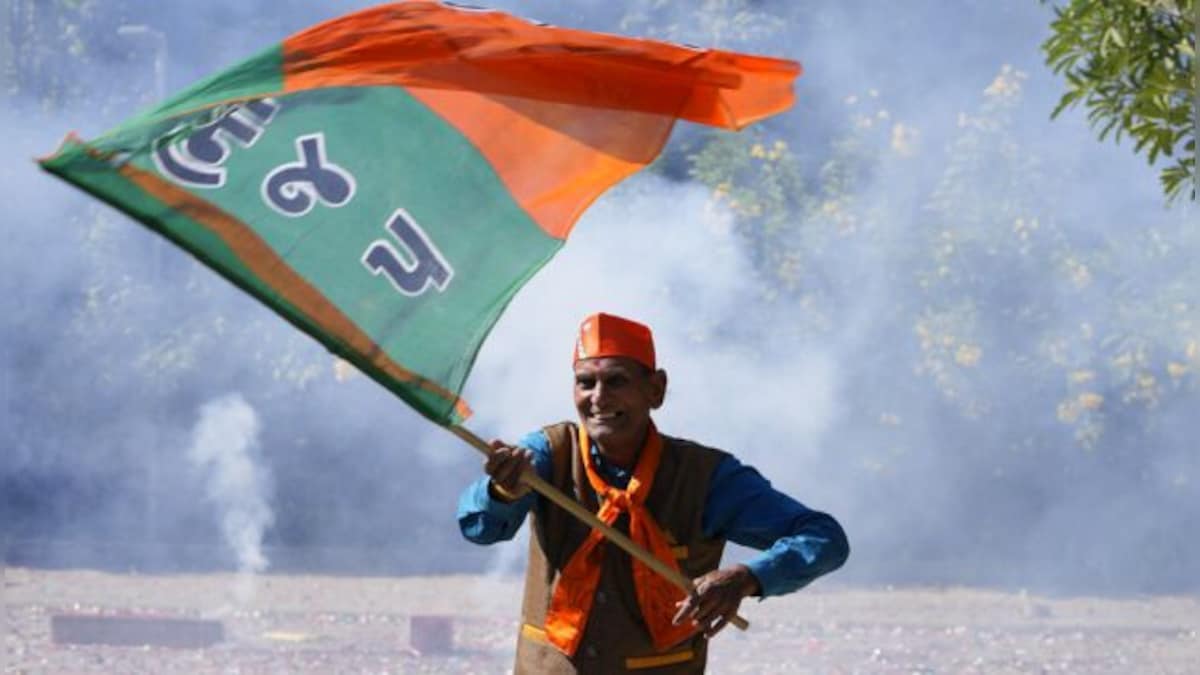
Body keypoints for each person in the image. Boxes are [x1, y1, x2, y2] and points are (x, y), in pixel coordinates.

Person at [458, 312, 849, 674]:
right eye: (585, 383)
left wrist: (745, 578)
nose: (598, 398)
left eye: (616, 381)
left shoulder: (707, 477)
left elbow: (824, 537)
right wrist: (502, 491)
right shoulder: (548, 453)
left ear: (656, 390)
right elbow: (480, 527)